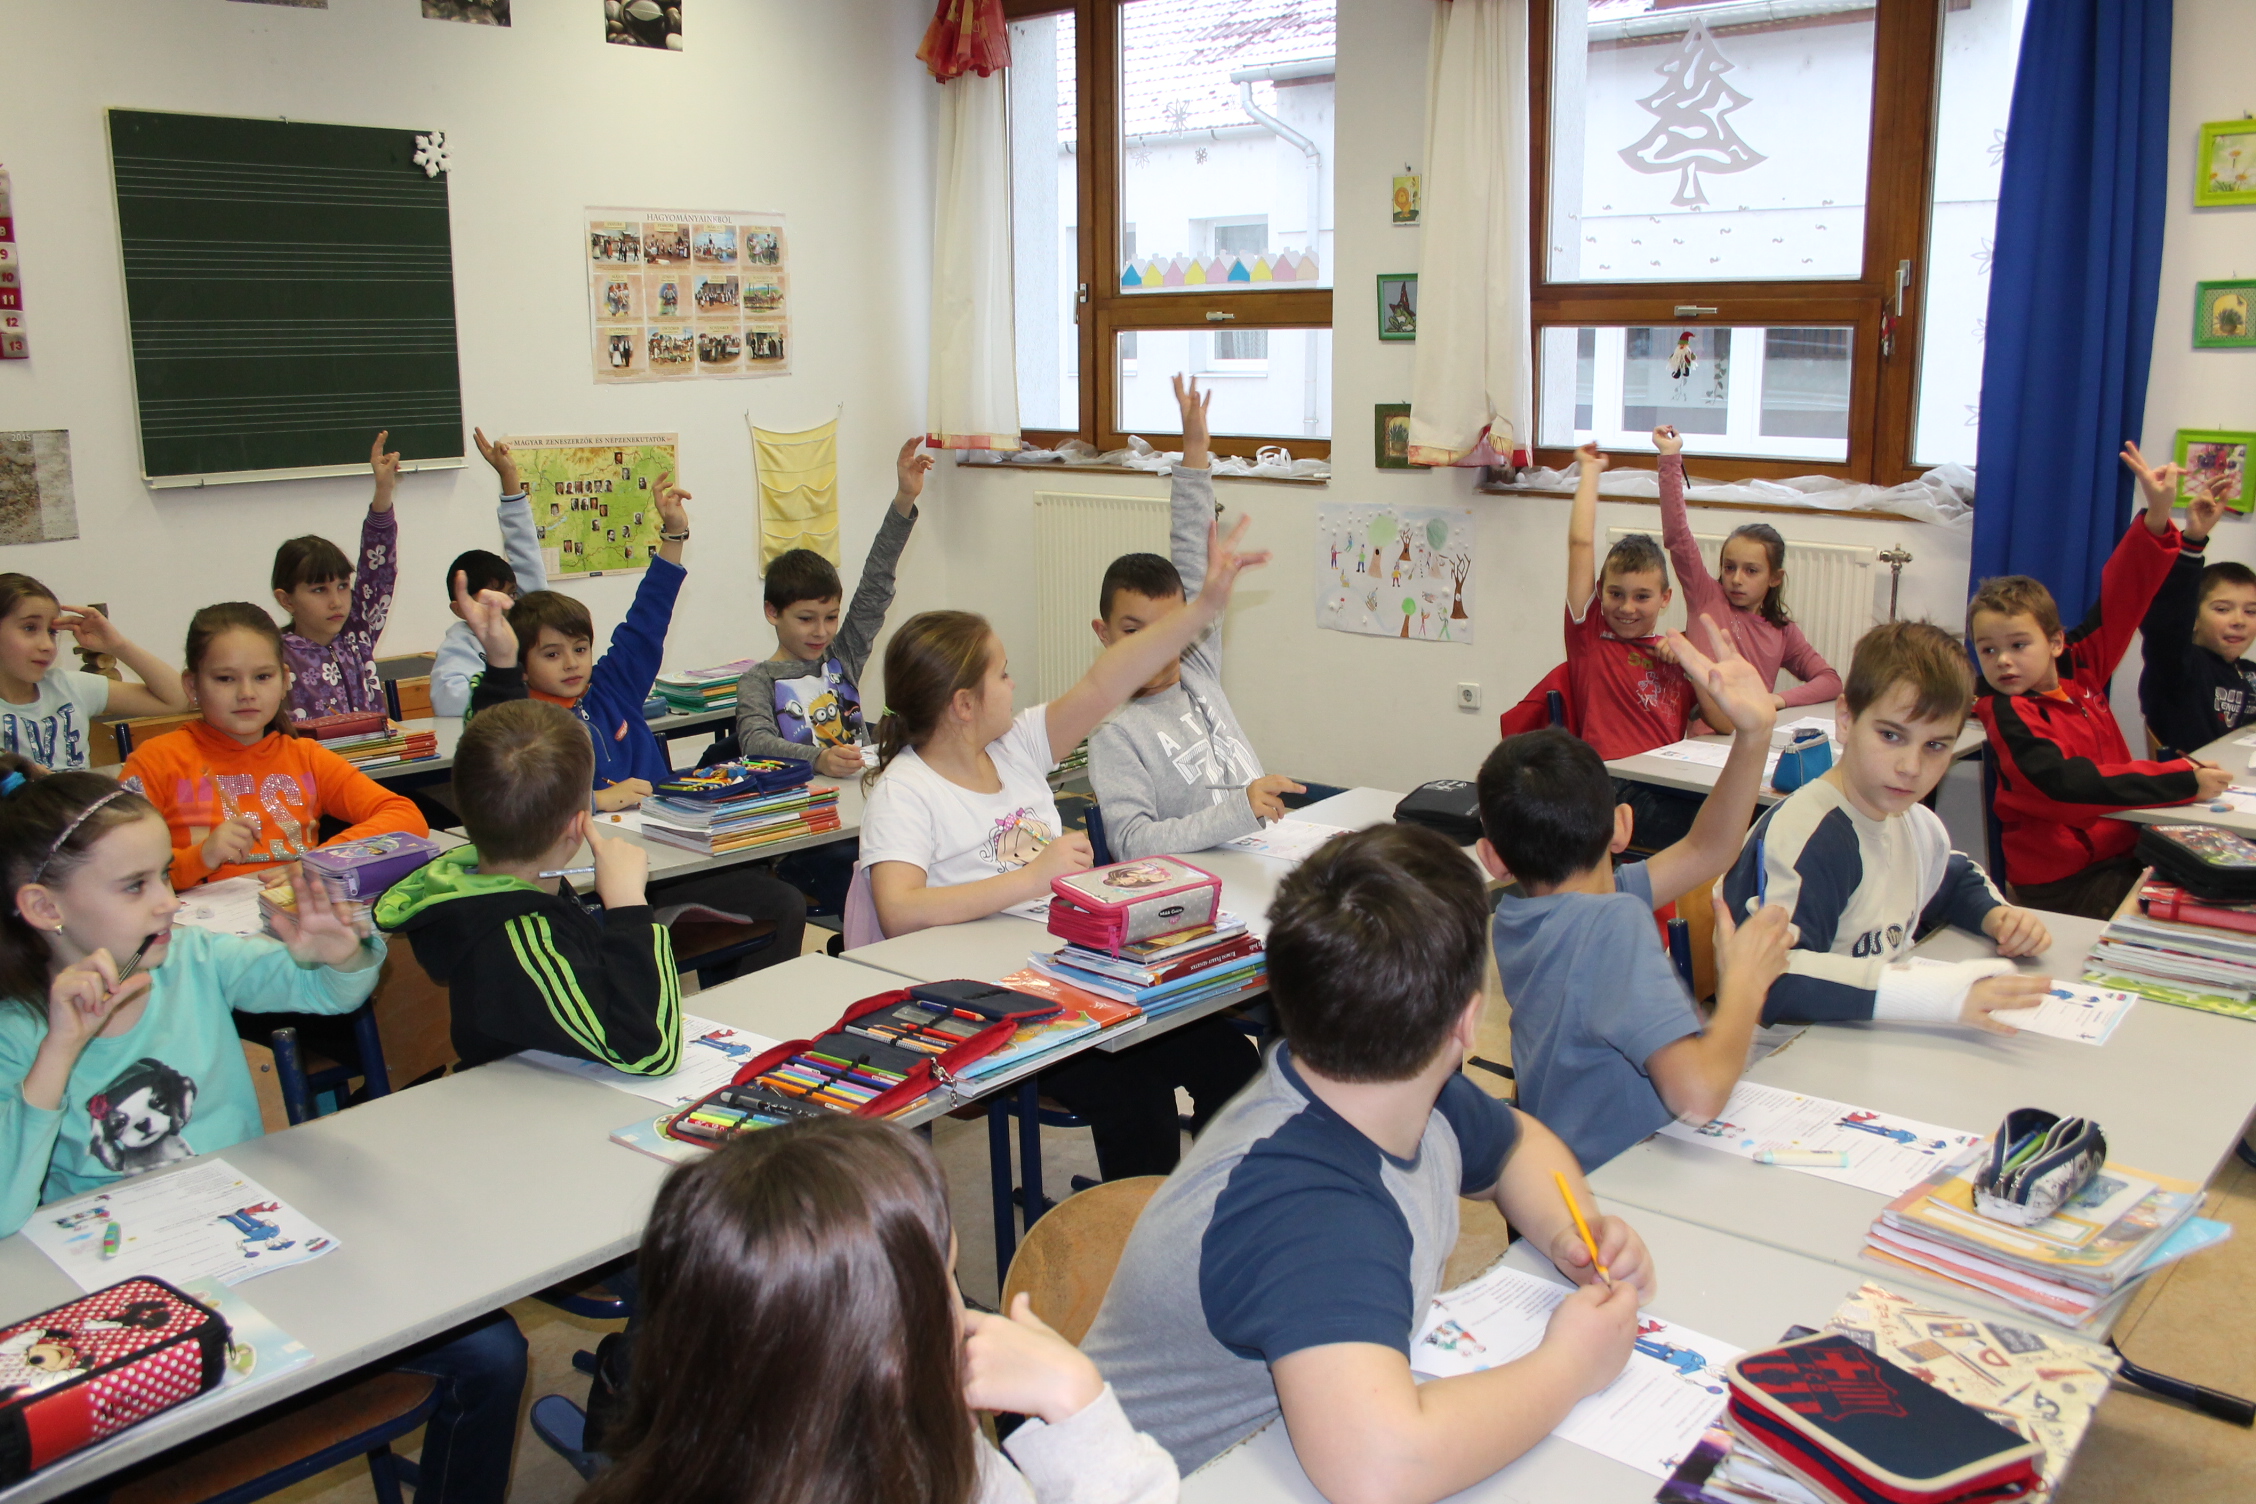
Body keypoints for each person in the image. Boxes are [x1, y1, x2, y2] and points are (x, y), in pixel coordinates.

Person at [0, 760, 527, 1504]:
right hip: (122, 1298)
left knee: (493, 1355)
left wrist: (341, 953)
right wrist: (59, 1050)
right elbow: (5, 1211)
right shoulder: (16, 1031)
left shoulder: (194, 958)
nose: (168, 901)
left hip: (252, 1250)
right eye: (135, 886)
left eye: (164, 876)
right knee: (56, 1469)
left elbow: (324, 988)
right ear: (43, 906)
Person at [1081, 823, 1651, 1491]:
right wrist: (1571, 1366)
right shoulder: (1311, 1212)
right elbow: (1380, 1470)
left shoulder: (1400, 1091)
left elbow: (1522, 1147)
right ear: (1467, 1022)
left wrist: (1571, 1232)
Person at [857, 515, 1270, 1179]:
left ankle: (1217, 1210)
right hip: (996, 1005)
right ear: (963, 705)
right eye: (1002, 675)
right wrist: (1032, 879)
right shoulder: (906, 790)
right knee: (1138, 1098)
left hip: (1072, 973)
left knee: (1229, 1061)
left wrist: (1202, 609)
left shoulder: (1017, 745)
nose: (1014, 684)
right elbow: (899, 909)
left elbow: (1108, 680)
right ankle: (1132, 1232)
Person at [573, 1117, 1177, 1504]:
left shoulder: (907, 1435)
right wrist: (1079, 1409)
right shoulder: (919, 1458)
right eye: (945, 1278)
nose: (963, 1307)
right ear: (883, 1334)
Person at [1478, 616, 1795, 1170]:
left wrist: (1754, 737)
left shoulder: (1524, 916)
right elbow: (1698, 1096)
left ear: (1495, 859)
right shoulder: (1611, 923)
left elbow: (1708, 849)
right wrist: (1744, 984)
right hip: (1627, 1184)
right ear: (1622, 826)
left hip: (1567, 1177)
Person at [449, 581, 805, 980]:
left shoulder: (611, 689)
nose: (570, 664)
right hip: (592, 880)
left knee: (783, 901)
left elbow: (645, 625)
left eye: (580, 649)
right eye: (551, 654)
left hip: (671, 860)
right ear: (523, 665)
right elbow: (507, 788)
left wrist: (671, 547)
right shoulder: (525, 722)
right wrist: (595, 800)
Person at [1722, 621, 2059, 1025]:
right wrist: (1933, 996)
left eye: (1935, 745)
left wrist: (2000, 917)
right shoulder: (1810, 836)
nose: (1911, 767)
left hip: (1862, 1036)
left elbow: (1952, 880)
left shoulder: (1918, 825)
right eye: (1891, 736)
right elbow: (1770, 980)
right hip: (1782, 1048)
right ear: (1846, 719)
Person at [1969, 452, 2225, 918]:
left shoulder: (2081, 667)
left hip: (2121, 853)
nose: (2003, 660)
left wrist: (2158, 515)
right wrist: (2181, 780)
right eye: (1987, 650)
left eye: (2018, 645)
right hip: (2066, 883)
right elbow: (2065, 783)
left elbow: (2124, 594)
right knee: (2182, 921)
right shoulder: (2008, 711)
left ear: (2056, 642)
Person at [374, 698, 683, 1072]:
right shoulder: (522, 935)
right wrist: (629, 906)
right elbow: (649, 1054)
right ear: (578, 827)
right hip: (524, 1098)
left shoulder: (485, 890)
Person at [1086, 375, 1311, 860]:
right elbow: (1130, 844)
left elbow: (1192, 551)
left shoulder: (1195, 666)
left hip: (1260, 852)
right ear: (1104, 634)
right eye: (1133, 631)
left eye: (1168, 629)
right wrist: (1239, 810)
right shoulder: (1114, 732)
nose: (1154, 647)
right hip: (1200, 882)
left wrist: (1194, 450)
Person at [121, 604, 427, 891]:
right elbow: (120, 863)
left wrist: (321, 861)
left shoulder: (306, 757)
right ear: (192, 686)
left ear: (284, 682)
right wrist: (200, 857)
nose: (247, 693)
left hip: (293, 913)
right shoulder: (156, 760)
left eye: (263, 677)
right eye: (225, 679)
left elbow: (405, 816)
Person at [734, 437, 930, 774]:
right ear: (772, 612)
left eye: (831, 617)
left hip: (864, 789)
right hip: (806, 797)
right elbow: (756, 742)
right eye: (806, 619)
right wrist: (819, 759)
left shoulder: (842, 656)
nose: (821, 631)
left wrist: (905, 498)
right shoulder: (759, 681)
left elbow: (876, 583)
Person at [1563, 443, 1701, 850]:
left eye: (1642, 596)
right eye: (1615, 594)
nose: (1626, 608)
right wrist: (1590, 472)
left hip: (1669, 780)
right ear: (1600, 592)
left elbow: (1723, 723)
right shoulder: (1590, 635)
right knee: (1709, 829)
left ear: (1665, 598)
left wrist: (1691, 663)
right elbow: (1580, 544)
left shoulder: (1673, 650)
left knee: (1744, 813)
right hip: (1612, 785)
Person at [1654, 424, 1841, 720]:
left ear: (1774, 578)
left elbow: (1830, 681)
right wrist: (1669, 458)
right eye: (1729, 567)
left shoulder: (1783, 631)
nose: (1736, 579)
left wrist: (1777, 700)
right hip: (1706, 734)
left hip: (1753, 731)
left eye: (1751, 571)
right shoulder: (1706, 597)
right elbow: (1677, 535)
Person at [2131, 444, 2256, 755]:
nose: (2239, 621)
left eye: (2251, 611)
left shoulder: (2249, 671)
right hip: (2190, 780)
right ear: (2194, 618)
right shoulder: (2178, 666)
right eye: (2222, 609)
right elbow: (2167, 623)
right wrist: (2192, 542)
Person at [0, 573, 190, 769]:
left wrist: (117, 645)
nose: (47, 645)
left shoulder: (68, 687)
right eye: (29, 628)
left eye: (52, 631)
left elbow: (178, 699)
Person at [275, 431, 399, 722]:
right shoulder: (275, 654)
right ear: (286, 600)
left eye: (343, 586)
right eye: (319, 590)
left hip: (373, 751)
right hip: (311, 753)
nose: (336, 601)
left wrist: (383, 491)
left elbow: (378, 569)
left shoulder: (359, 634)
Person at [430, 428, 549, 719]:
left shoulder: (523, 619)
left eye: (510, 595)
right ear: (460, 609)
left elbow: (526, 551)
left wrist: (509, 476)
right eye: (487, 600)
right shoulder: (461, 643)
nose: (502, 606)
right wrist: (511, 687)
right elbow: (447, 700)